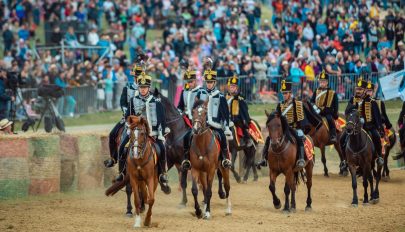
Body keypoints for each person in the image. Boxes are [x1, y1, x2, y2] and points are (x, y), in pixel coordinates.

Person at [121, 72, 170, 194]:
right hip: (137, 133)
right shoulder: (133, 100)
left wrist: (160, 133)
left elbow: (162, 119)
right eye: (141, 87)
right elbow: (128, 117)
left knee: (162, 149)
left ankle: (162, 174)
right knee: (122, 147)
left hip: (152, 134)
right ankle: (121, 172)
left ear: (149, 88)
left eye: (145, 88)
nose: (143, 90)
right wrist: (129, 127)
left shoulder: (156, 101)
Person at [257, 80, 307, 170]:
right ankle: (264, 159)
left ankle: (301, 159)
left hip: (294, 127)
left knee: (299, 137)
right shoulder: (280, 105)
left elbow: (300, 119)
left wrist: (300, 128)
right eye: (283, 93)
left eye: (286, 93)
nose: (284, 95)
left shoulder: (297, 104)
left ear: (290, 93)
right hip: (283, 128)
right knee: (269, 138)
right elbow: (276, 116)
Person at [104, 64, 143, 173]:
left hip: (143, 119)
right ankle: (113, 158)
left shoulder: (147, 88)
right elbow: (123, 102)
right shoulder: (128, 88)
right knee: (112, 134)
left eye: (140, 76)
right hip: (129, 118)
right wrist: (127, 113)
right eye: (137, 76)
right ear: (134, 77)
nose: (139, 78)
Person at [342, 78, 384, 167]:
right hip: (354, 127)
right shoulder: (352, 99)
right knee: (342, 138)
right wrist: (355, 106)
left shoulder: (372, 102)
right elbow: (347, 111)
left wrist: (380, 128)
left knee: (376, 137)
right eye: (357, 89)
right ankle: (344, 159)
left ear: (365, 90)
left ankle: (379, 156)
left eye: (360, 89)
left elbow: (377, 117)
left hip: (368, 127)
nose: (358, 91)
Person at [177, 68, 208, 171]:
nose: (189, 84)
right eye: (188, 82)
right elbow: (180, 106)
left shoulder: (201, 91)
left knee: (187, 137)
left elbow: (202, 108)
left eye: (191, 82)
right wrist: (180, 112)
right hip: (186, 120)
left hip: (198, 121)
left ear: (195, 81)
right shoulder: (184, 91)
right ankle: (184, 159)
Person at [202, 68, 232, 168]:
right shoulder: (201, 94)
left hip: (215, 125)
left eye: (211, 82)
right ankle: (188, 159)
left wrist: (225, 126)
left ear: (215, 82)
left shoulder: (220, 96)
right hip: (202, 125)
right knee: (190, 137)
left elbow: (225, 114)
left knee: (222, 138)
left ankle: (225, 159)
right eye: (207, 82)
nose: (209, 84)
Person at [310, 70, 339, 143]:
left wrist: (335, 114)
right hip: (317, 112)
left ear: (327, 82)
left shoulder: (332, 92)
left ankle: (333, 135)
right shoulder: (316, 91)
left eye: (323, 81)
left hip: (327, 112)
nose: (322, 83)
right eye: (320, 82)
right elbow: (312, 101)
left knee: (330, 119)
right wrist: (315, 108)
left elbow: (336, 104)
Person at [226, 74, 253, 147]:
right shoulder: (227, 97)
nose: (232, 88)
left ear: (237, 88)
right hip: (227, 117)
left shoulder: (240, 97)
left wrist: (246, 120)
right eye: (231, 86)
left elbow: (244, 109)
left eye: (234, 86)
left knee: (241, 123)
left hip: (237, 118)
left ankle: (247, 139)